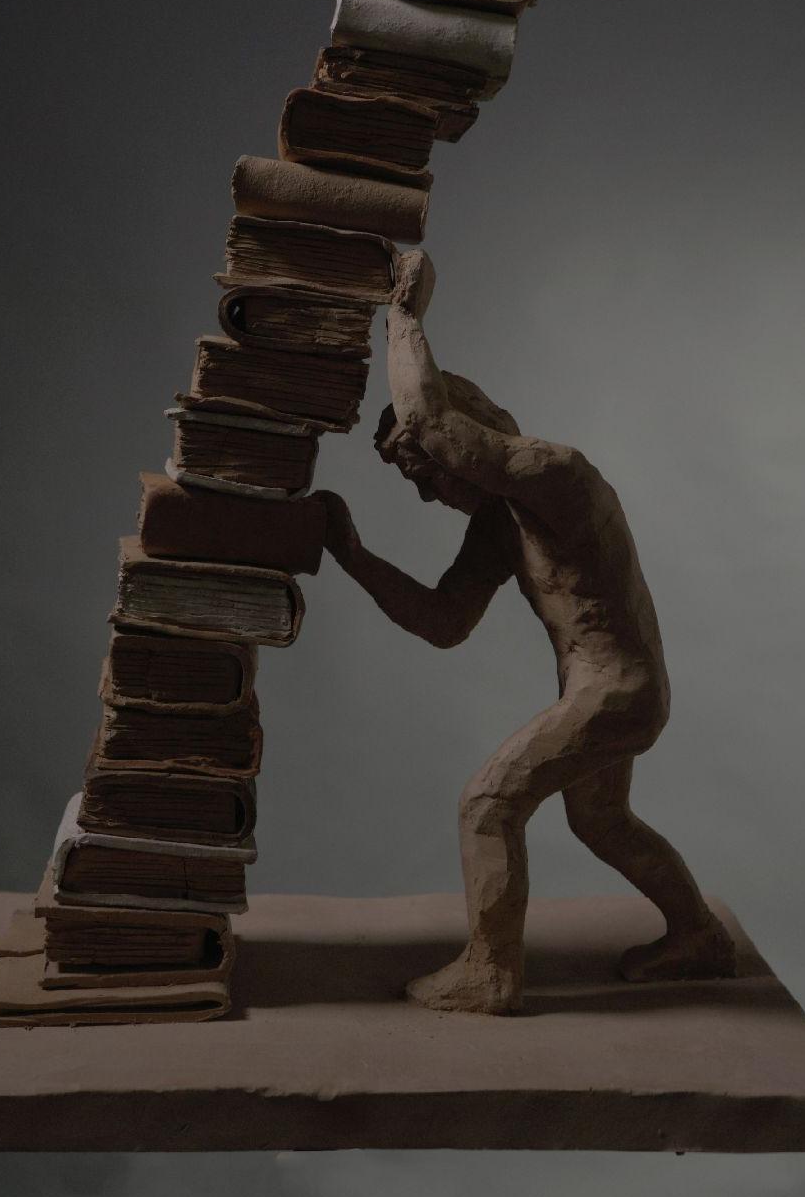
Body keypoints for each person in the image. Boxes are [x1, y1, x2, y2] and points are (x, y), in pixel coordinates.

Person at [315, 249, 736, 1014]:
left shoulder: (554, 474)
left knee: (489, 803)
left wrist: (404, 317)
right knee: (602, 821)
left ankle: (491, 971)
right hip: (607, 691)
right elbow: (445, 622)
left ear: (461, 444)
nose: (428, 495)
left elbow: (433, 423)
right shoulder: (500, 526)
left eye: (424, 475)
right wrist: (352, 554)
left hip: (617, 692)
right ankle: (698, 935)